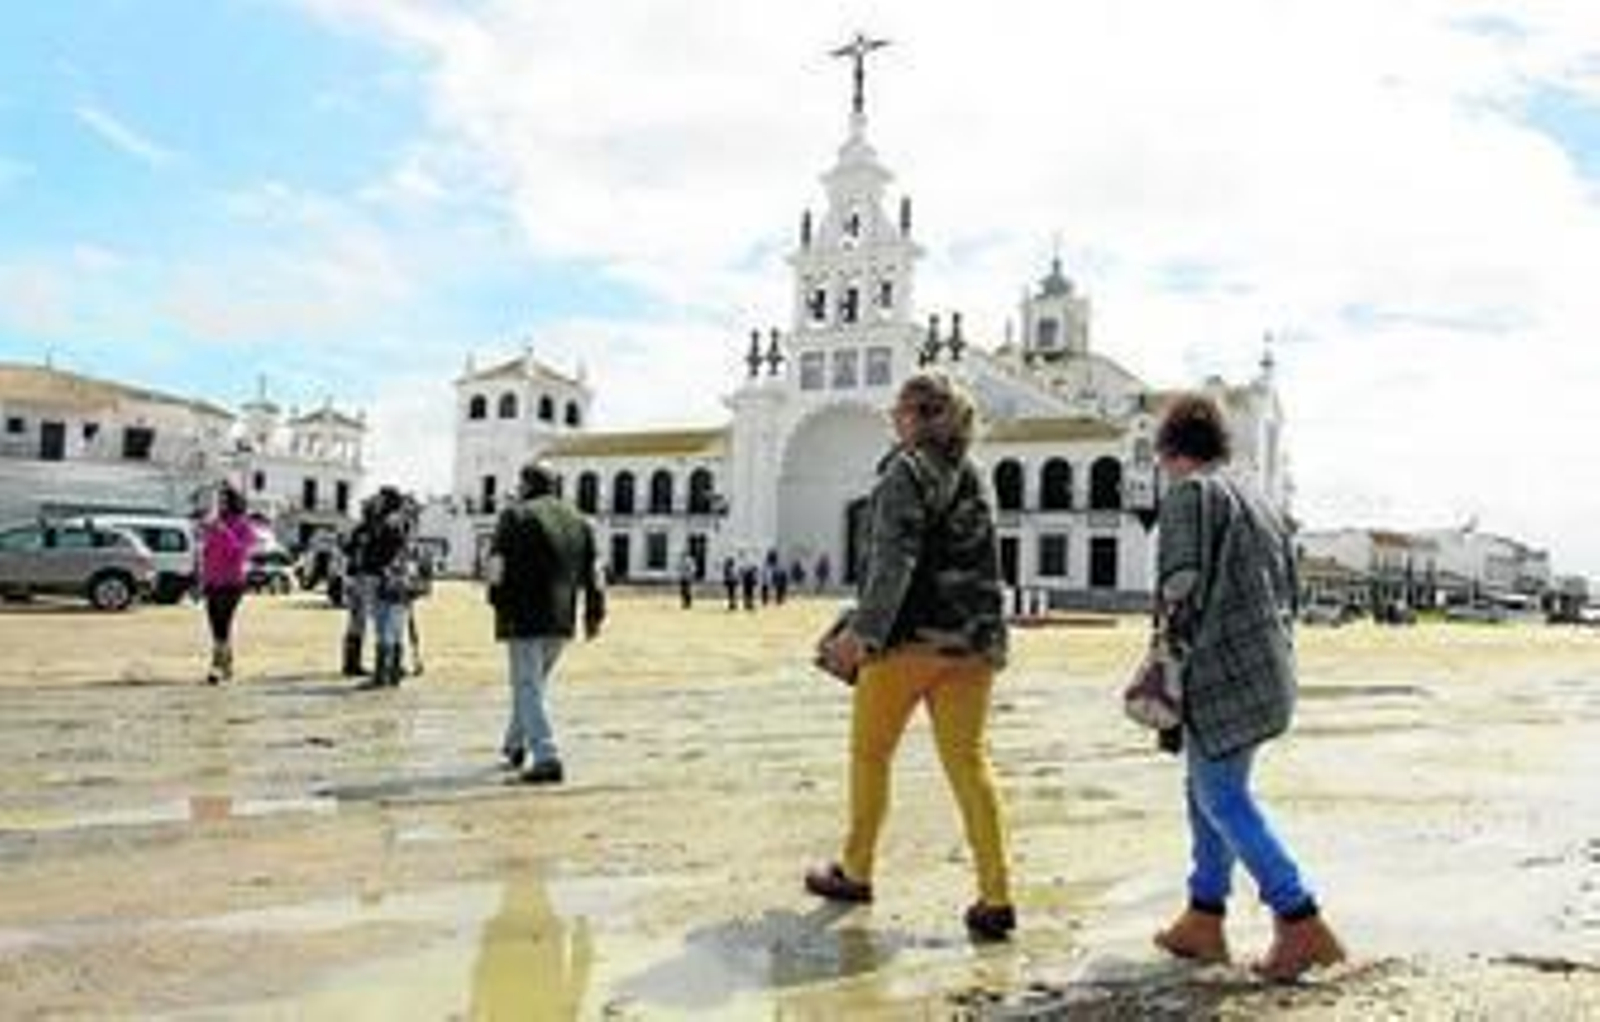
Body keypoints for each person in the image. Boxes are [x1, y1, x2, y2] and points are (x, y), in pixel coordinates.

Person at [807, 372, 1016, 942]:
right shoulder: (972, 474)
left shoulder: (906, 470)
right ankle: (995, 896)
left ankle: (857, 869)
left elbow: (891, 562)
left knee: (871, 756)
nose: (891, 418)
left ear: (918, 416)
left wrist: (862, 636)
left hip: (907, 643)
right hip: (971, 644)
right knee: (970, 766)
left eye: (899, 410)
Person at [1147, 392, 1346, 981]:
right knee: (1206, 791)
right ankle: (1203, 916)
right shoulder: (1258, 501)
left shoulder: (1190, 494)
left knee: (1223, 799)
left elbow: (1179, 586)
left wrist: (1164, 665)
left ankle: (1301, 919)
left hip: (1220, 673)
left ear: (1170, 451)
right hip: (1269, 671)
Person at [487, 462, 606, 785]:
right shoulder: (580, 521)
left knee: (527, 685)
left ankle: (546, 755)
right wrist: (595, 613)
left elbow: (497, 564)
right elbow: (595, 573)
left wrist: (496, 601)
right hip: (562, 617)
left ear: (526, 484)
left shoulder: (515, 515)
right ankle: (515, 744)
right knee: (532, 685)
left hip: (522, 614)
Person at [355, 486, 414, 689]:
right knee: (394, 629)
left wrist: (383, 569)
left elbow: (389, 552)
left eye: (380, 498)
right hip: (397, 580)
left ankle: (382, 675)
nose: (376, 501)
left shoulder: (388, 523)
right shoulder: (402, 522)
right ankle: (393, 672)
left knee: (384, 628)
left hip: (386, 579)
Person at [197, 484, 256, 685]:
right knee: (216, 628)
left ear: (233, 502)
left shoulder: (243, 525)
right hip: (212, 581)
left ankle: (217, 667)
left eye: (224, 500)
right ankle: (226, 665)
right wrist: (201, 579)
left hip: (232, 583)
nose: (220, 504)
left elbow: (239, 552)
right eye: (219, 500)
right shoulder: (215, 523)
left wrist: (222, 532)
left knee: (223, 625)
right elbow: (207, 554)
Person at [339, 498, 378, 677]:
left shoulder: (358, 529)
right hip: (362, 577)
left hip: (352, 577)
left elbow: (346, 549)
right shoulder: (369, 531)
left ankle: (350, 662)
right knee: (358, 622)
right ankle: (352, 664)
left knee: (354, 622)